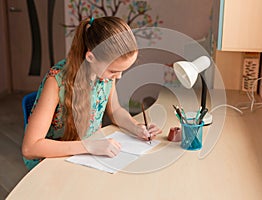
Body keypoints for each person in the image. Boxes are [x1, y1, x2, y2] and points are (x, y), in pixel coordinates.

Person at [22, 16, 162, 170]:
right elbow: (30, 148)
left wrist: (136, 127)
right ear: (90, 57)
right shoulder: (56, 82)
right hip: (53, 161)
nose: (118, 76)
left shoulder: (105, 75)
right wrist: (89, 146)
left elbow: (115, 110)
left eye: (122, 71)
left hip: (88, 153)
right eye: (114, 71)